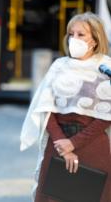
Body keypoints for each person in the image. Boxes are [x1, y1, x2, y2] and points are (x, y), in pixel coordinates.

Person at [20, 12, 111, 202]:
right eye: (71, 34)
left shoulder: (105, 68)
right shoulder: (59, 66)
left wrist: (74, 143)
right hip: (58, 144)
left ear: (95, 39)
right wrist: (64, 145)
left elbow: (106, 116)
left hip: (93, 147)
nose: (74, 39)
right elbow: (45, 108)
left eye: (81, 34)